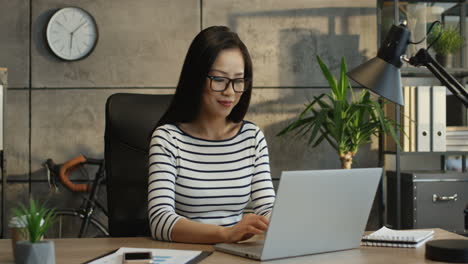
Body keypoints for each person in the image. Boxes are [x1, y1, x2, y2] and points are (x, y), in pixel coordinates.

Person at [148, 26, 275, 244]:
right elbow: (160, 221)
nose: (230, 91)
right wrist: (226, 234)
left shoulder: (252, 137)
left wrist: (282, 222)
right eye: (219, 79)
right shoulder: (167, 139)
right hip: (188, 254)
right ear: (196, 78)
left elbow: (266, 207)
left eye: (238, 80)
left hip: (235, 254)